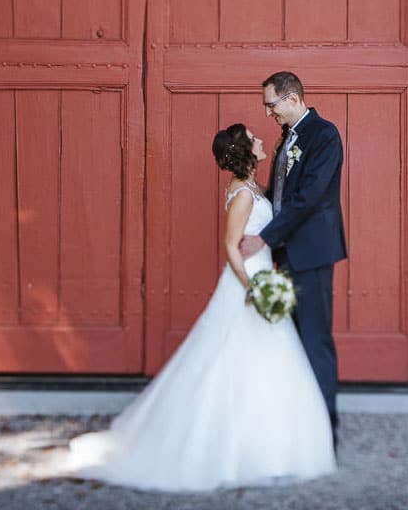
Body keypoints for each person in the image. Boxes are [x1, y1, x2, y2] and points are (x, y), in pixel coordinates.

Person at [65, 124, 336, 492]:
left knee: (265, 359)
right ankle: (229, 444)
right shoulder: (242, 194)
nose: (260, 141)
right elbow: (229, 245)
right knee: (232, 359)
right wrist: (253, 288)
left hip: (261, 276)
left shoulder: (255, 188)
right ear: (243, 151)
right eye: (253, 139)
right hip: (246, 283)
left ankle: (268, 438)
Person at [239, 71, 347, 446]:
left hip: (312, 253)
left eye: (271, 105)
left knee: (314, 340)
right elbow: (283, 196)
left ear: (293, 98)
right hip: (287, 252)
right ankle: (300, 425)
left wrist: (263, 238)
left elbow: (310, 196)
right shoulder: (288, 139)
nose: (269, 113)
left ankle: (325, 432)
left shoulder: (324, 135)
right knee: (293, 340)